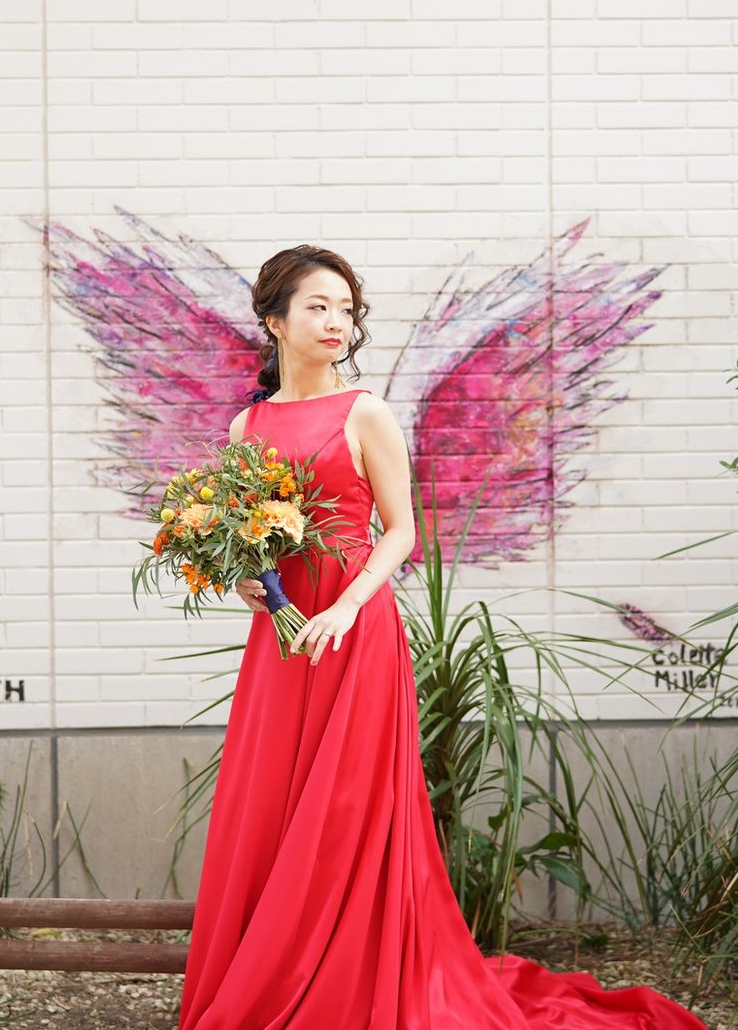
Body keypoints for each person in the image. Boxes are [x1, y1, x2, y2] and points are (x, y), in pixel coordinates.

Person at [177, 245, 707, 1029]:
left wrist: (348, 607)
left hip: (352, 631)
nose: (335, 321)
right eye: (318, 306)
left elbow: (401, 531)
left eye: (346, 309)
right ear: (275, 321)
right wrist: (244, 581)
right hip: (283, 640)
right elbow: (244, 536)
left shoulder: (364, 412)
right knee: (273, 804)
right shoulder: (246, 424)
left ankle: (344, 989)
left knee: (343, 812)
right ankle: (269, 976)